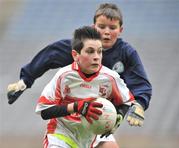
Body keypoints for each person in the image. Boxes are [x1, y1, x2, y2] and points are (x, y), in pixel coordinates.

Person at [7, 3, 152, 148]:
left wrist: (136, 105)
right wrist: (25, 79)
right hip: (66, 126)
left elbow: (137, 86)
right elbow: (50, 55)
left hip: (97, 120)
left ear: (120, 30)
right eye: (102, 27)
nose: (107, 32)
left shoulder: (119, 64)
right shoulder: (67, 69)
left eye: (112, 28)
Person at [35, 26, 134, 148]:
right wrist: (77, 106)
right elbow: (44, 112)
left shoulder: (110, 77)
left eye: (99, 51)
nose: (96, 56)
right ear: (75, 55)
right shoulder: (64, 76)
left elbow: (127, 102)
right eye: (90, 51)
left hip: (94, 134)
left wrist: (118, 117)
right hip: (62, 135)